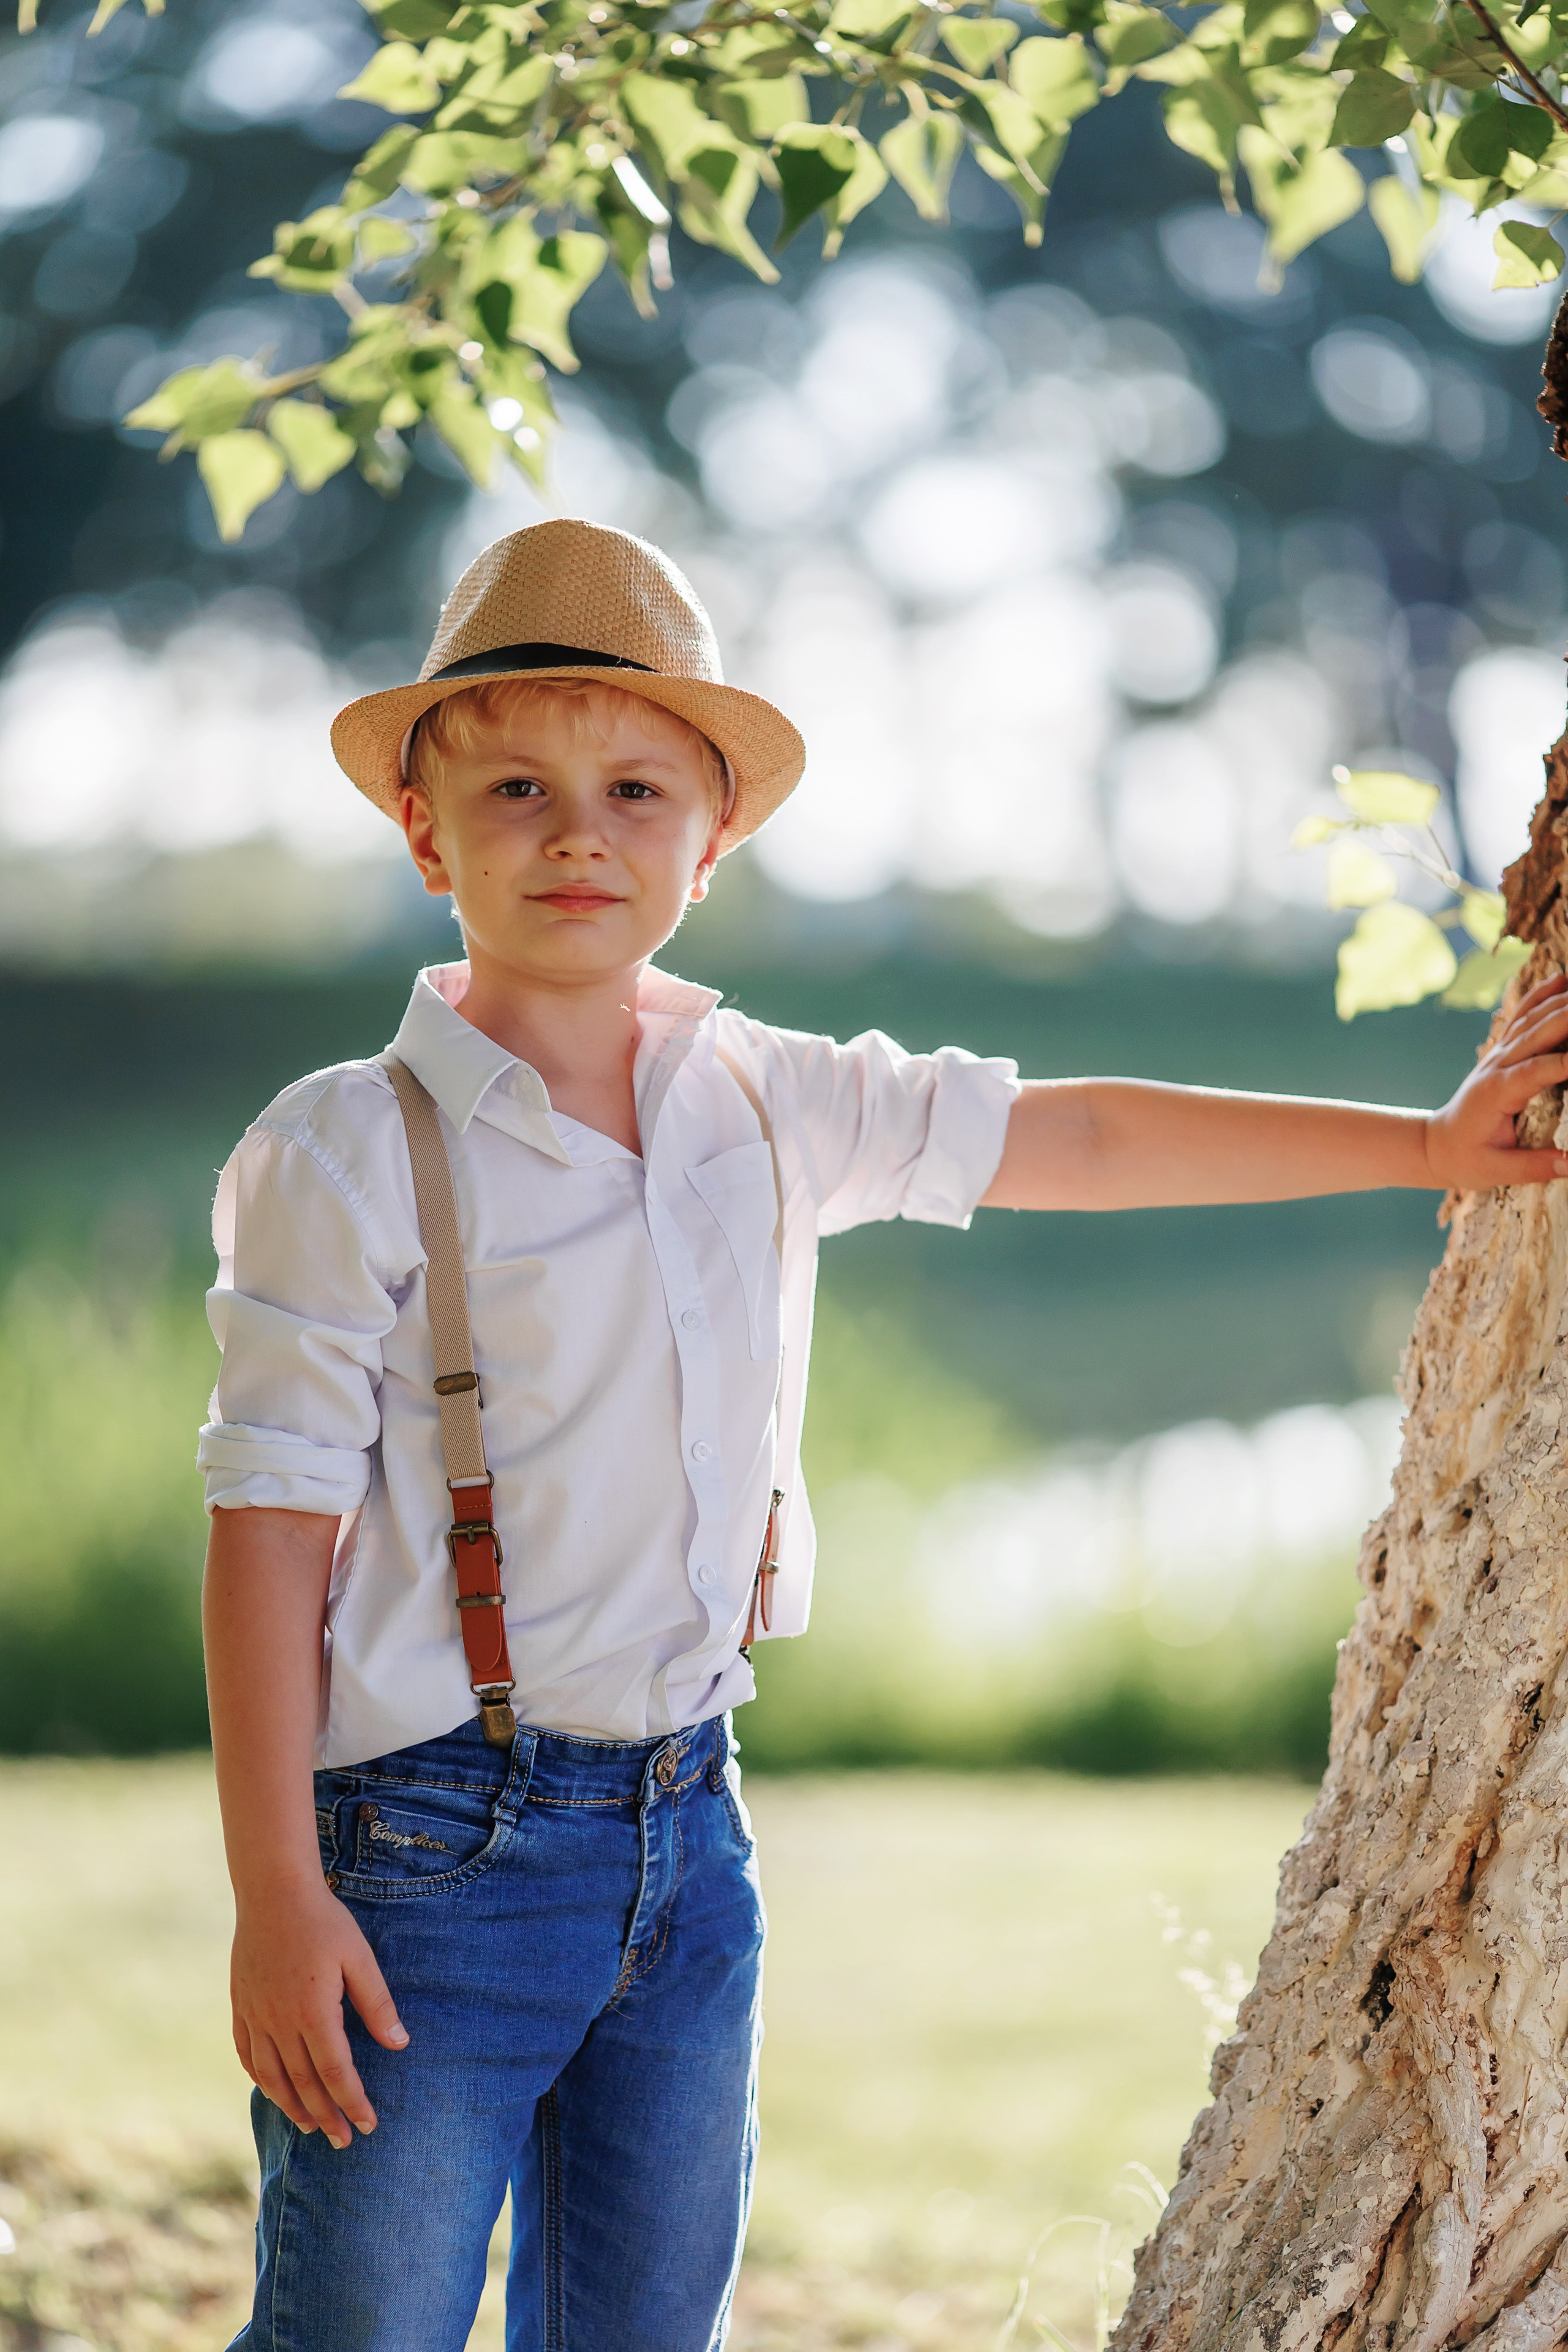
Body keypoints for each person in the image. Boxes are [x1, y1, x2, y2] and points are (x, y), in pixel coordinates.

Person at [200, 518, 1568, 2352]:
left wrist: (1423, 1145)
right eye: (517, 788)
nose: (578, 833)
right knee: (361, 2329)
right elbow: (268, 1528)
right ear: (426, 833)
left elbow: (1077, 1136)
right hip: (428, 1859)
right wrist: (277, 1893)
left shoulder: (769, 1098)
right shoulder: (346, 1146)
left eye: (635, 791)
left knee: (645, 2326)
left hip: (690, 1840)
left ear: (712, 841)